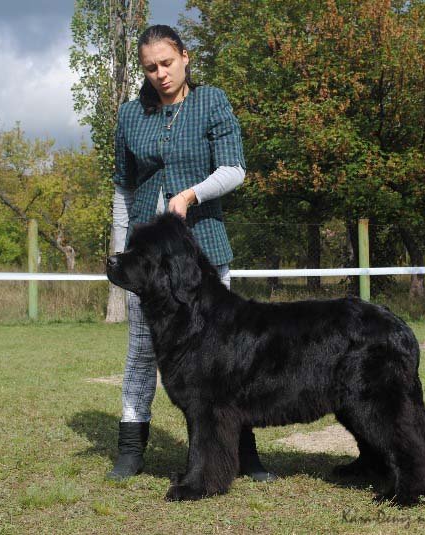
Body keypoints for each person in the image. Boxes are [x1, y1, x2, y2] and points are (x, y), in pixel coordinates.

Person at [107, 24, 276, 483]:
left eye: (167, 63)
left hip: (205, 251)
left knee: (227, 357)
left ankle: (244, 453)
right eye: (150, 68)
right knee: (142, 352)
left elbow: (234, 169)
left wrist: (191, 196)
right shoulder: (129, 115)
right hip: (148, 264)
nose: (159, 74)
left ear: (185, 57)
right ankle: (130, 447)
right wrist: (122, 247)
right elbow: (123, 188)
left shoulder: (211, 102)